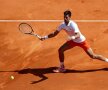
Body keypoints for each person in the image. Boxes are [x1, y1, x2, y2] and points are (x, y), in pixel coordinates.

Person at [40, 10, 108, 73]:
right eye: (64, 17)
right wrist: (45, 37)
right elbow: (54, 34)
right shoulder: (62, 25)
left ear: (70, 17)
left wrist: (73, 37)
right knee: (60, 50)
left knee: (93, 56)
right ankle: (62, 67)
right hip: (72, 41)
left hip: (81, 41)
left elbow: (78, 34)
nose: (65, 19)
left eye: (66, 17)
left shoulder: (73, 24)